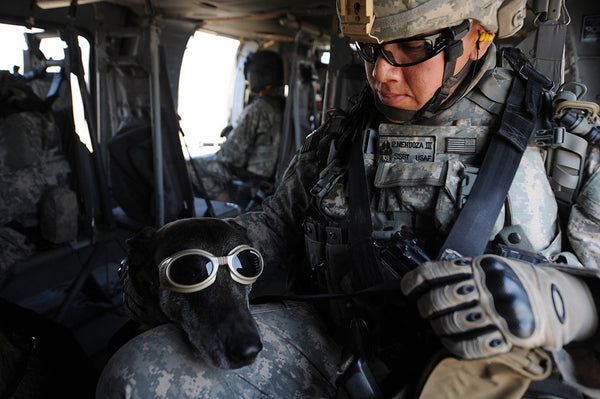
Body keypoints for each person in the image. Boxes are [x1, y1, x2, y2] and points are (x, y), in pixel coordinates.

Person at [97, 0, 600, 398]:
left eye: (410, 49)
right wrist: (194, 250)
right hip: (340, 342)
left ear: (477, 37)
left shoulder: (567, 146)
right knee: (140, 372)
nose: (380, 73)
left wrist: (553, 301)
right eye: (370, 50)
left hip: (496, 370)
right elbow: (276, 226)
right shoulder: (340, 139)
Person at [187, 49, 285, 203]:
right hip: (270, 174)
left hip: (250, 175)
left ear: (257, 75)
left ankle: (228, 208)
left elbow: (230, 156)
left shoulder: (257, 108)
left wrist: (229, 139)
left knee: (190, 166)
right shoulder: (283, 105)